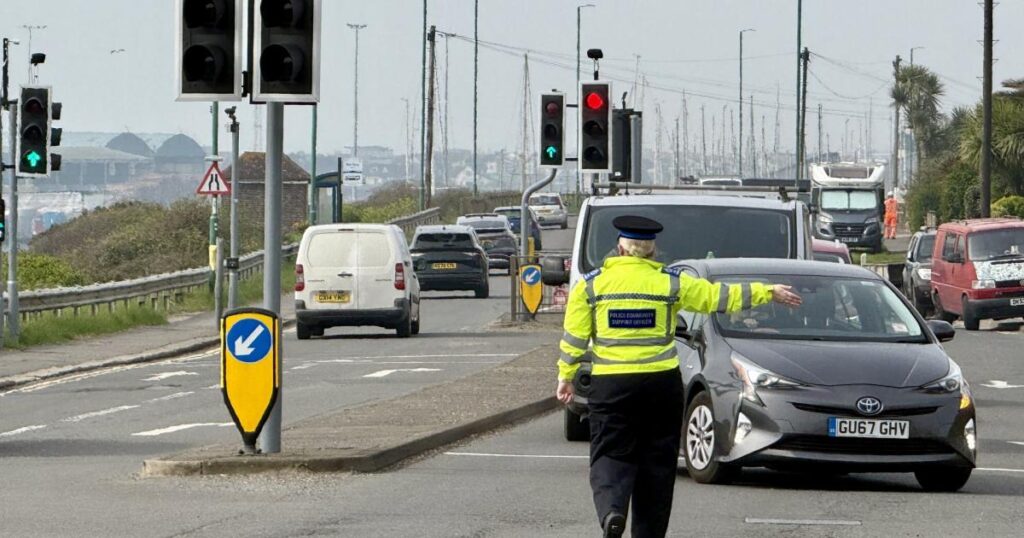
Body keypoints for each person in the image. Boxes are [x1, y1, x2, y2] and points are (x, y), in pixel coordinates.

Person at [555, 215, 802, 538]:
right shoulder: (671, 283)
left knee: (610, 453)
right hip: (661, 385)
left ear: (621, 249)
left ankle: (613, 510)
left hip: (612, 385)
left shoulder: (592, 286)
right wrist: (767, 292)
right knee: (657, 464)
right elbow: (718, 296)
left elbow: (574, 339)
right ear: (651, 251)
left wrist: (566, 376)